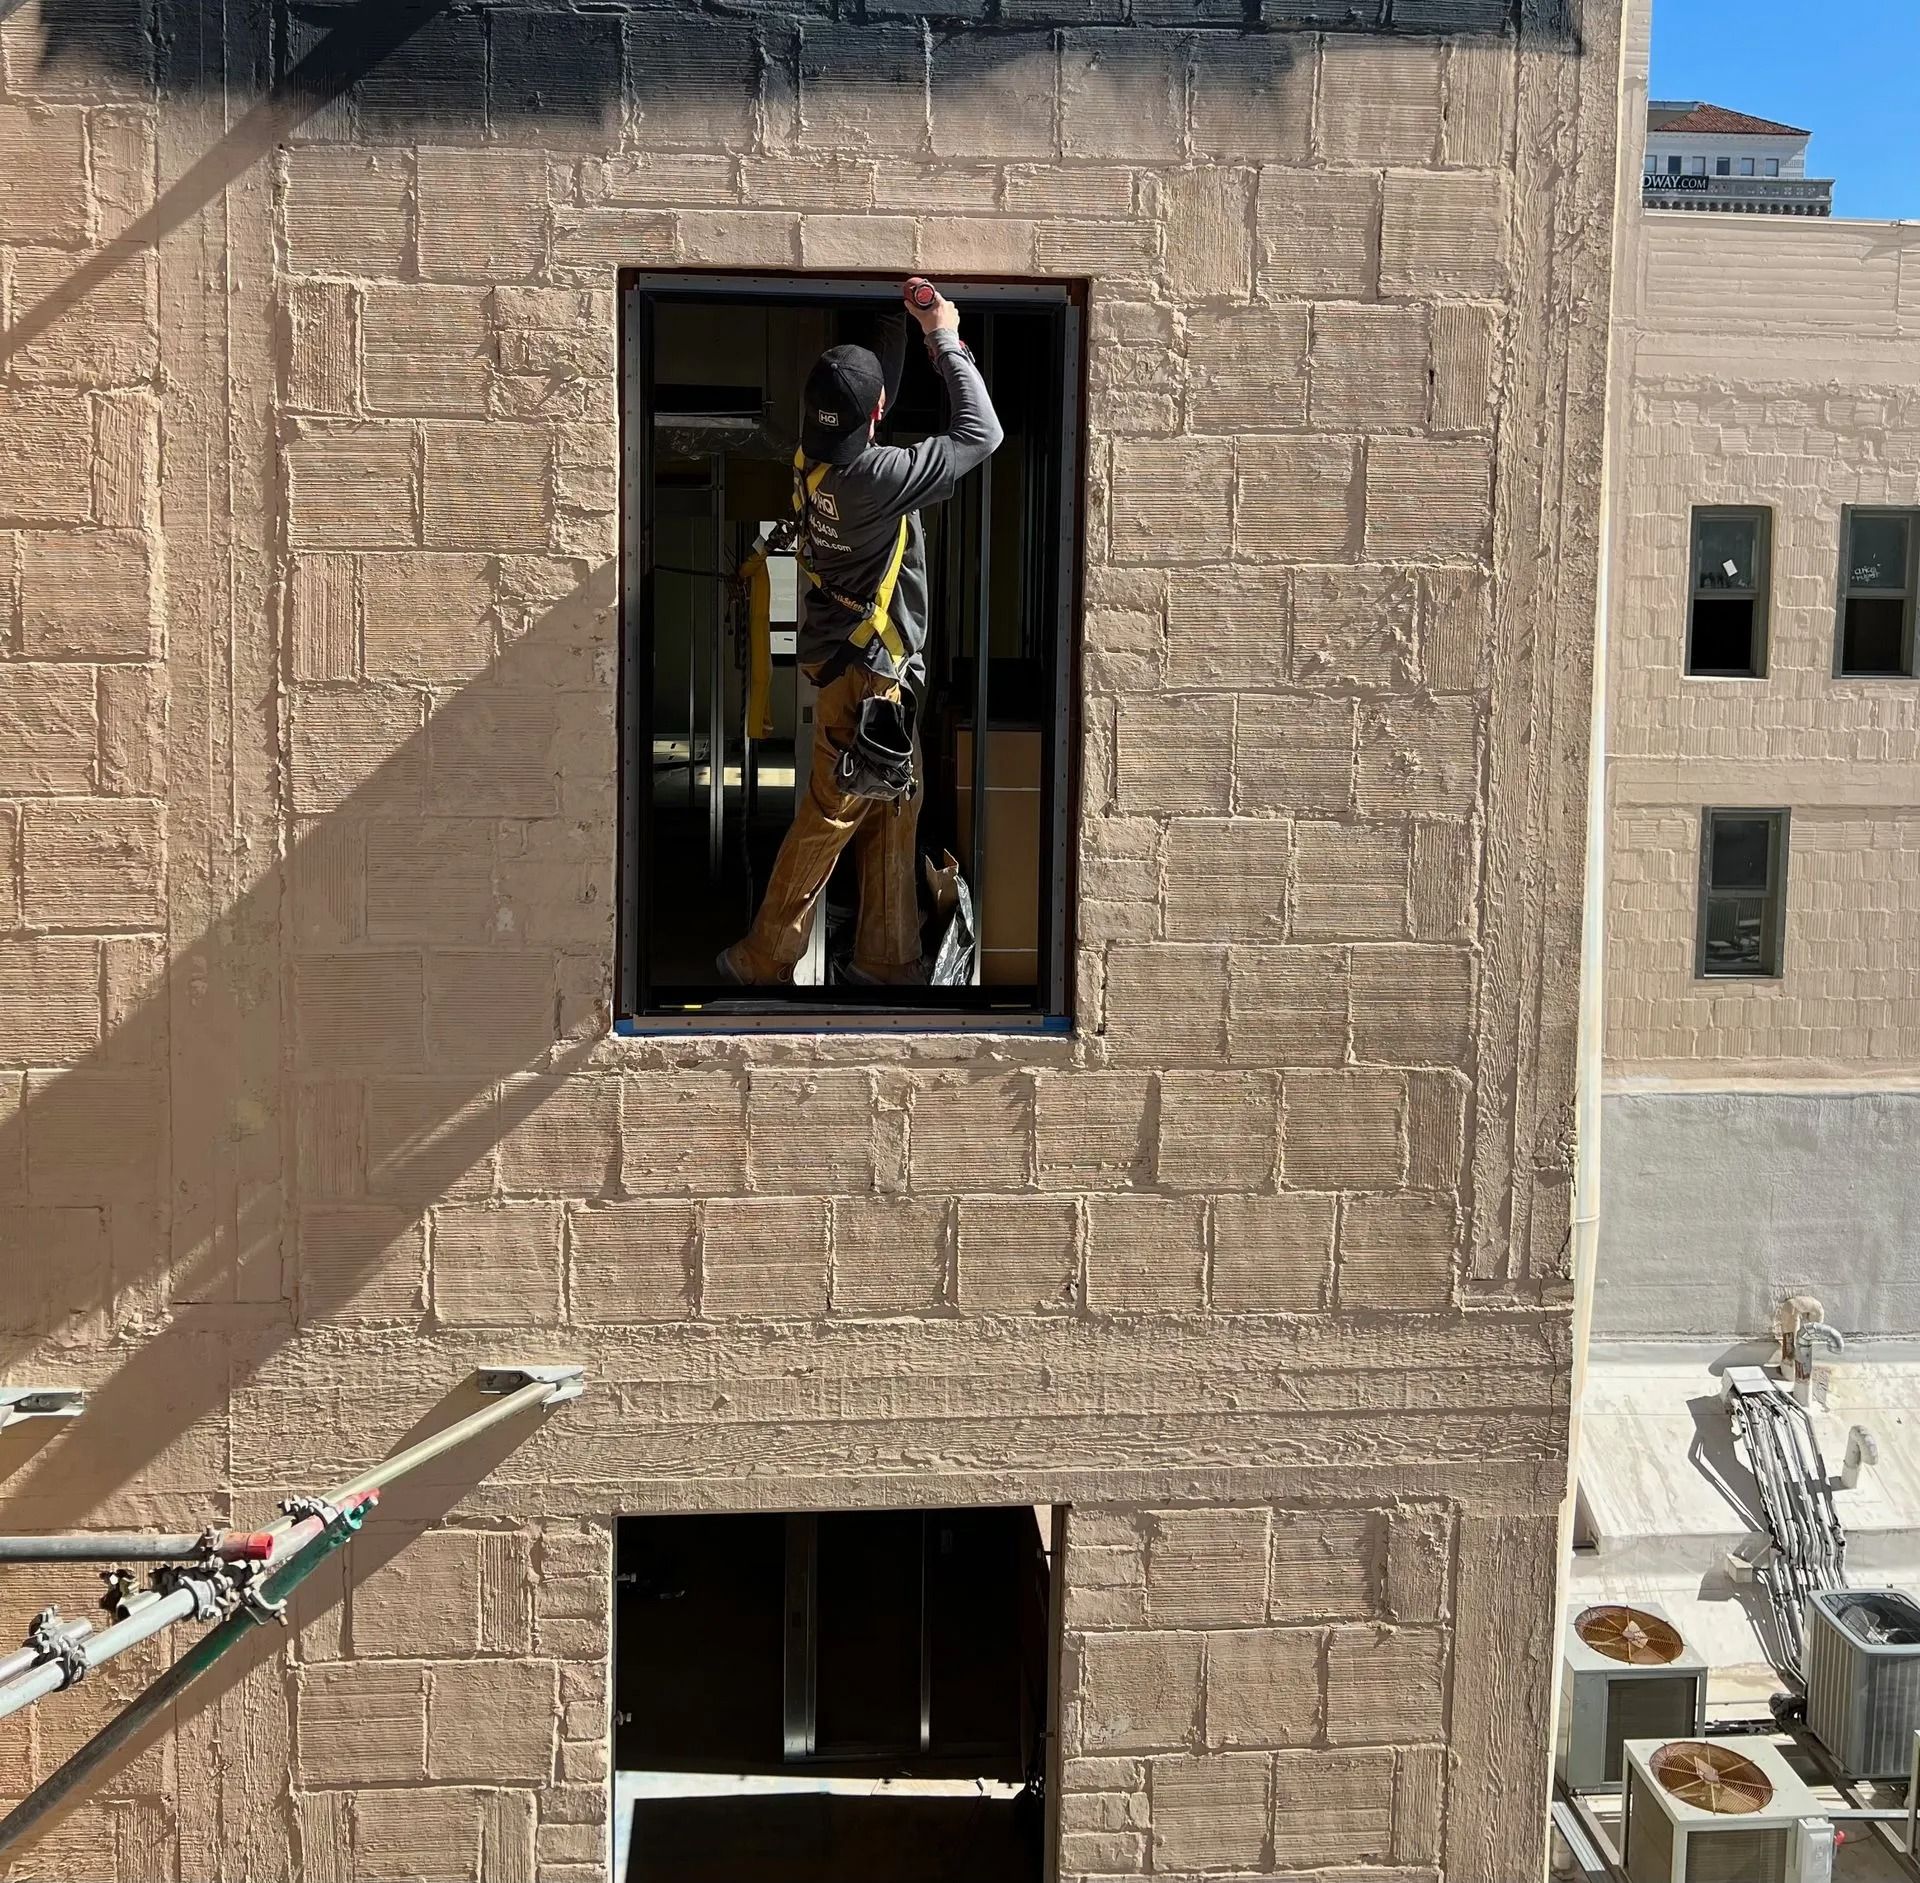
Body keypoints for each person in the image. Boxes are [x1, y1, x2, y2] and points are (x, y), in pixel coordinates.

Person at [718, 280, 1003, 987]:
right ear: (877, 417)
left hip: (848, 663)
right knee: (831, 813)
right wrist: (946, 335)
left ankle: (887, 958)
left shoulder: (811, 461)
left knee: (894, 806)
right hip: (876, 672)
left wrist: (896, 325)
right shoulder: (880, 476)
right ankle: (766, 954)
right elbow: (981, 434)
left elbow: (869, 404)